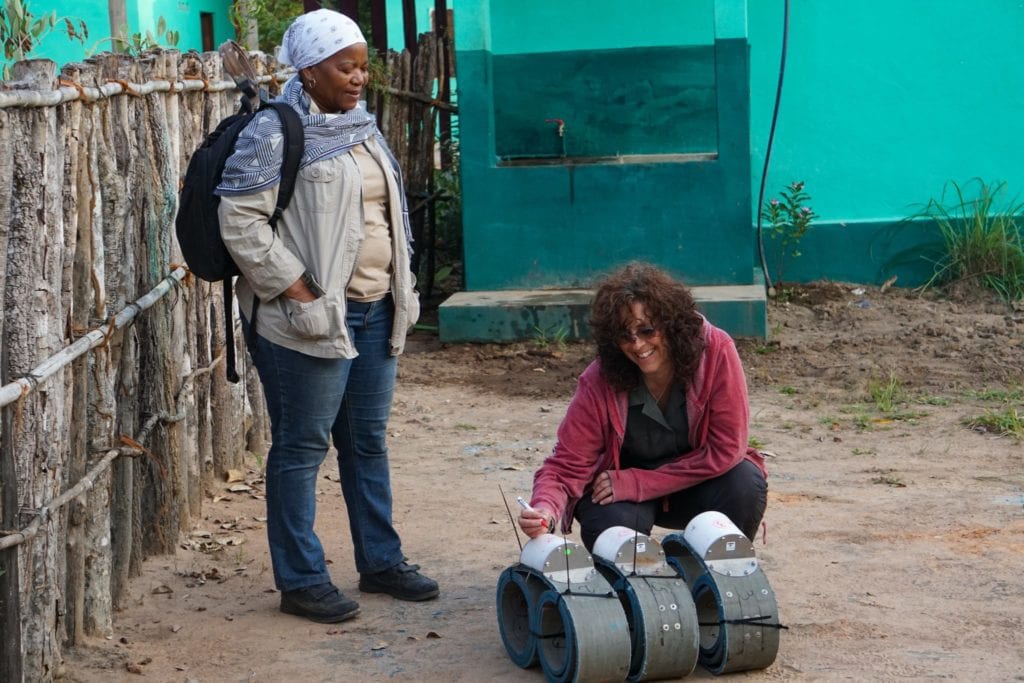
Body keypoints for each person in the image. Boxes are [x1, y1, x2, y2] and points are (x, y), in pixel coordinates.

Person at [215, 9, 438, 624]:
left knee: (365, 442)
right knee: (302, 444)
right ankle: (302, 579)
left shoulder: (363, 128)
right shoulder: (275, 130)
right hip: (305, 321)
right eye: (346, 66)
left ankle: (381, 562)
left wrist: (402, 286)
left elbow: (385, 217)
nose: (359, 77)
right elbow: (239, 220)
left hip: (375, 311)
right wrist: (300, 292)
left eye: (364, 66)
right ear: (310, 71)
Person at [518, 262, 768, 551]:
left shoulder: (716, 352)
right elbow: (565, 466)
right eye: (625, 335)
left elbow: (727, 449)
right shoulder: (599, 379)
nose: (637, 345)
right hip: (625, 496)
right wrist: (545, 510)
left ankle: (719, 570)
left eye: (648, 330)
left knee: (744, 482)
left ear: (672, 324)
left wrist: (640, 481)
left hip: (694, 486)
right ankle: (635, 586)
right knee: (608, 526)